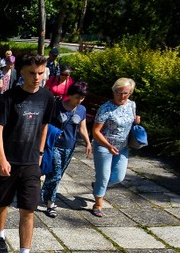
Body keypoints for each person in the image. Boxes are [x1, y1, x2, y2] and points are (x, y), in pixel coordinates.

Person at [0, 54, 55, 253]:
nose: (37, 77)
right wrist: (2, 158)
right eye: (32, 73)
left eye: (41, 73)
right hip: (9, 159)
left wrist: (39, 154)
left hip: (30, 163)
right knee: (2, 202)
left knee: (29, 210)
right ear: (21, 72)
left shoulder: (47, 97)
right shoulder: (10, 97)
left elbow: (44, 126)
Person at [40, 82, 92, 217]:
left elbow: (82, 127)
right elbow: (45, 124)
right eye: (76, 97)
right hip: (55, 145)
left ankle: (44, 193)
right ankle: (51, 202)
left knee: (57, 175)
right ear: (69, 95)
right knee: (56, 174)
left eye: (82, 98)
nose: (79, 100)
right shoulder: (57, 106)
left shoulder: (81, 109)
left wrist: (88, 142)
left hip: (70, 146)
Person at [91, 78, 140, 217]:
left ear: (130, 93)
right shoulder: (105, 108)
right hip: (104, 146)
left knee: (118, 177)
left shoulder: (131, 105)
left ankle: (98, 186)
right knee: (104, 176)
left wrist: (136, 120)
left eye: (126, 93)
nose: (122, 96)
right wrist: (108, 145)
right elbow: (95, 131)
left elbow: (130, 120)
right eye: (119, 92)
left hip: (122, 147)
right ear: (114, 91)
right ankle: (98, 204)